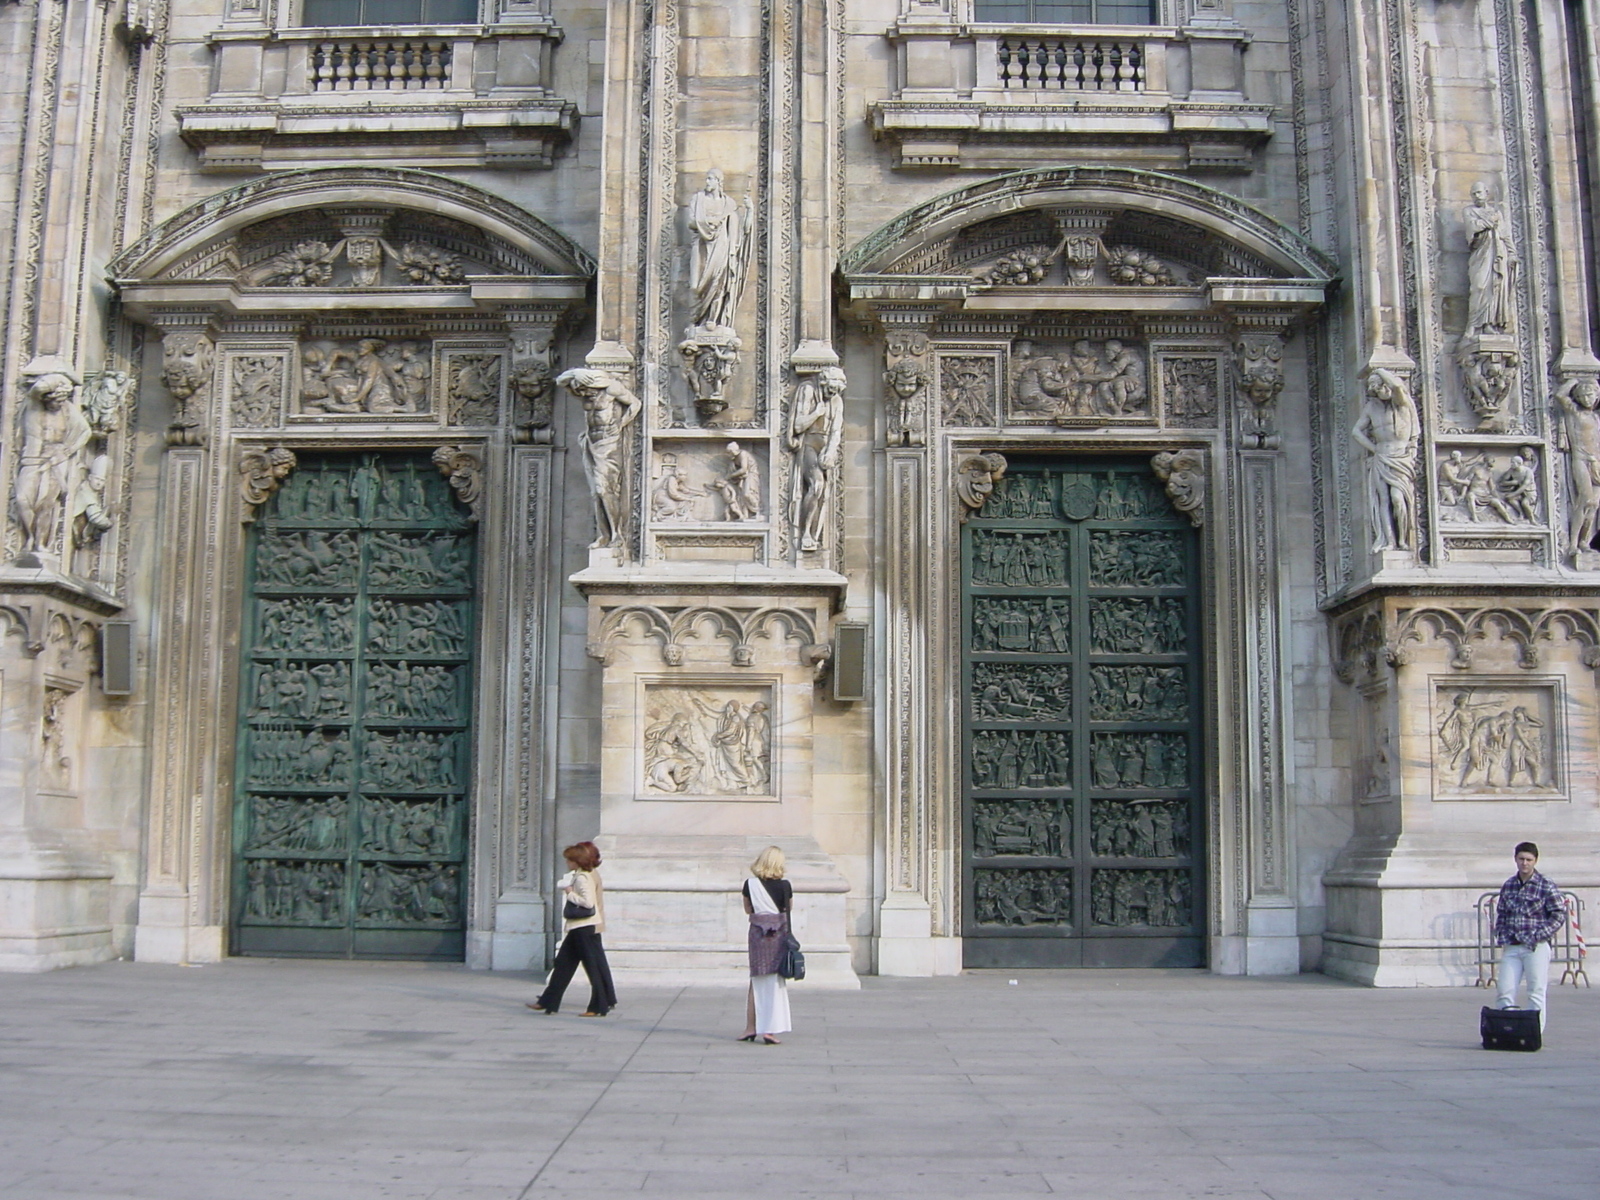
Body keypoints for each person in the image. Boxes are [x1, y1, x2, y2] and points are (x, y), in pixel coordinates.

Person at [528, 842, 616, 1017]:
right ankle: (548, 1001)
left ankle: (598, 1006)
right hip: (580, 928)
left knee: (591, 967)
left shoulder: (583, 877)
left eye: (570, 860)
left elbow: (588, 902)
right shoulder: (585, 874)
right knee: (563, 965)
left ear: (577, 861)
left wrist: (569, 892)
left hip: (584, 927)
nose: (567, 863)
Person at [1493, 842, 1566, 1030]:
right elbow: (1501, 912)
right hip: (1512, 945)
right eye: (1521, 859)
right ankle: (1506, 1029)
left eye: (1529, 860)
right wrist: (1501, 933)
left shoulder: (1545, 885)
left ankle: (1535, 1031)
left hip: (1535, 946)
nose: (1525, 863)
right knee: (1505, 989)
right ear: (1515, 859)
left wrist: (1540, 935)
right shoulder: (1509, 885)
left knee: (1535, 991)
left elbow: (1558, 914)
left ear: (1535, 861)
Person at [739, 845, 793, 1045]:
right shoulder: (785, 886)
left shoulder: (750, 884)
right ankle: (769, 1030)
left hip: (757, 936)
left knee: (756, 979)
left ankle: (750, 1028)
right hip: (778, 936)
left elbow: (747, 909)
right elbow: (787, 911)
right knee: (775, 981)